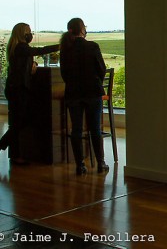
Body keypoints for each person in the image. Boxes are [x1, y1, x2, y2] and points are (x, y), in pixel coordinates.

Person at [0, 23, 59, 164]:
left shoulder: (16, 47)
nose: (30, 34)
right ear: (22, 34)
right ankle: (3, 145)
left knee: (18, 122)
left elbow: (22, 64)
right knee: (19, 122)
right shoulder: (21, 47)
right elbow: (38, 51)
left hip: (16, 88)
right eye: (28, 32)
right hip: (18, 90)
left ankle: (15, 155)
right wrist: (59, 46)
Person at [59, 18, 109, 175]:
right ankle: (101, 163)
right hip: (92, 92)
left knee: (76, 130)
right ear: (82, 29)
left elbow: (64, 74)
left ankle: (80, 165)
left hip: (73, 94)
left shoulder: (66, 49)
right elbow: (101, 69)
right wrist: (96, 82)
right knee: (95, 128)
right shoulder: (92, 46)